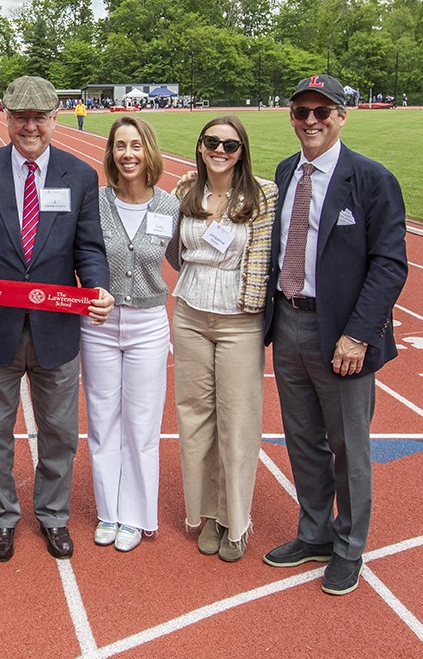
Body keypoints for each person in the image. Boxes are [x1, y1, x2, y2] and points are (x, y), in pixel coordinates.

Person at [0, 75, 114, 563]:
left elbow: (89, 249)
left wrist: (98, 287)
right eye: (21, 116)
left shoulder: (80, 175)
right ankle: (2, 517)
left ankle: (53, 515)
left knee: (58, 430)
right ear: (6, 117)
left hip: (57, 328)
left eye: (39, 116)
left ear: (55, 117)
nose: (30, 126)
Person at [262, 74, 407, 595]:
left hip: (342, 333)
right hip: (288, 319)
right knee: (302, 440)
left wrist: (359, 335)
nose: (311, 121)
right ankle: (315, 532)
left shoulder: (370, 178)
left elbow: (389, 265)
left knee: (348, 446)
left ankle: (349, 547)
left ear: (343, 116)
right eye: (302, 112)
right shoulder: (284, 172)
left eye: (323, 112)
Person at [165, 116, 278, 563]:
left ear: (241, 151)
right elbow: (172, 250)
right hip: (190, 313)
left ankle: (236, 518)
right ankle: (207, 514)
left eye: (229, 144)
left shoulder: (262, 195)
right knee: (194, 419)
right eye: (212, 141)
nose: (220, 150)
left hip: (239, 320)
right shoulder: (184, 190)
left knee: (238, 422)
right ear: (199, 146)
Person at [80, 116, 178, 553]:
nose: (128, 154)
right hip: (98, 324)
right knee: (102, 422)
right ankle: (109, 511)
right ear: (111, 154)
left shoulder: (170, 207)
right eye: (120, 146)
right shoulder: (94, 202)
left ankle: (137, 516)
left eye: (136, 145)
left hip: (148, 324)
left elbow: (185, 256)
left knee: (141, 425)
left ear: (149, 150)